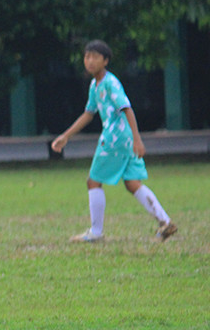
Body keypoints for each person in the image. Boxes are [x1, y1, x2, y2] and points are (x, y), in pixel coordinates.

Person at [51, 39, 177, 243]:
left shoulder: (110, 83)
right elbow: (88, 113)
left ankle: (96, 232)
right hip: (123, 138)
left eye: (94, 57)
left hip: (115, 138)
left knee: (93, 181)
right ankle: (165, 222)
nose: (89, 60)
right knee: (132, 183)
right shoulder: (95, 84)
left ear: (105, 61)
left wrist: (138, 139)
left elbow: (127, 108)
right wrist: (66, 136)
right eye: (86, 56)